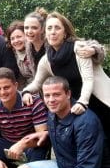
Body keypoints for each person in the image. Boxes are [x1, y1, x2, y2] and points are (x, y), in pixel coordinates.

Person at [22, 12, 110, 145]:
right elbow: (37, 83)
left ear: (65, 32)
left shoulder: (79, 49)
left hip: (99, 102)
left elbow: (88, 79)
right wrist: (26, 92)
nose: (53, 32)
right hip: (79, 109)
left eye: (57, 28)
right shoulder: (47, 60)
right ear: (45, 33)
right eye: (49, 28)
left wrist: (82, 102)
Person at [16, 76, 110, 168]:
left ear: (68, 94)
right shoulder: (52, 113)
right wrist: (45, 134)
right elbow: (65, 134)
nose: (51, 100)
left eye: (56, 94)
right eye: (47, 95)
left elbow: (87, 167)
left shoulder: (86, 122)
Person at [5, 20, 33, 89]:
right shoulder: (13, 53)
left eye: (19, 37)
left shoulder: (34, 50)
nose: (16, 41)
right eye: (12, 38)